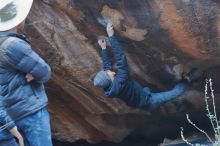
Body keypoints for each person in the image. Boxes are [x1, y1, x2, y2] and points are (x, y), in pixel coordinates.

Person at [93, 22, 196, 111]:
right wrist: (111, 37)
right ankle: (186, 80)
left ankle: (166, 87)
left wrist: (103, 49)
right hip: (149, 101)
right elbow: (121, 58)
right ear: (110, 79)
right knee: (175, 93)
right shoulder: (121, 80)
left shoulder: (109, 87)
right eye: (108, 74)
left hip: (141, 95)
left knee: (147, 89)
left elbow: (107, 67)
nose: (111, 72)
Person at [0, 0, 52, 146]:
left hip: (7, 114)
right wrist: (33, 74)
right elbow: (44, 72)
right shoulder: (13, 45)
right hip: (29, 111)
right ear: (18, 21)